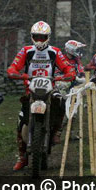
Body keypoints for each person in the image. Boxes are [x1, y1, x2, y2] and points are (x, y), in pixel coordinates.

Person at [7, 21, 75, 171]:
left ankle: (57, 131)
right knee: (20, 121)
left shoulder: (55, 52)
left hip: (50, 87)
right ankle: (22, 156)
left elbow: (67, 67)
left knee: (61, 102)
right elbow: (14, 66)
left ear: (48, 37)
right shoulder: (26, 51)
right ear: (32, 37)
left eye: (42, 37)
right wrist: (16, 73)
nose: (39, 40)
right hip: (30, 89)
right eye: (36, 37)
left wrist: (68, 74)